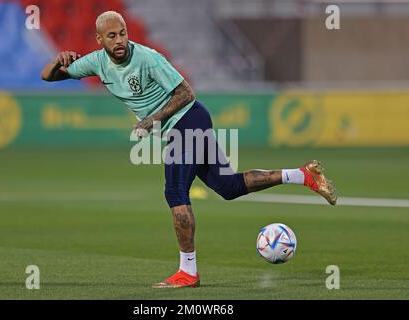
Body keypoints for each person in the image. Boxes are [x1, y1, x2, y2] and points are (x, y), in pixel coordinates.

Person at [41, 11, 337, 289]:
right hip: (182, 126)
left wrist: (151, 120)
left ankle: (188, 272)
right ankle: (303, 175)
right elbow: (48, 77)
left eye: (123, 34)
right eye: (112, 36)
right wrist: (58, 61)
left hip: (189, 119)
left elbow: (186, 92)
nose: (119, 41)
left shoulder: (148, 58)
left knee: (175, 192)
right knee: (228, 186)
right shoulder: (95, 62)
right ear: (99, 40)